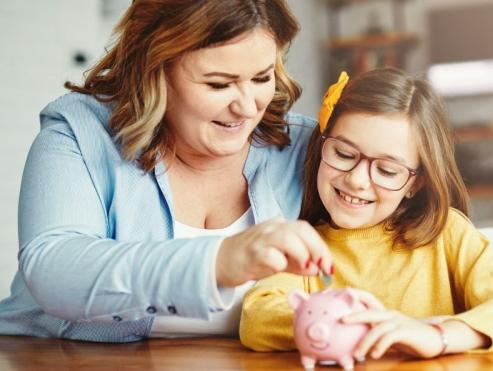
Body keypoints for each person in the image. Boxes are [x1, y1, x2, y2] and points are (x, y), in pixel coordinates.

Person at [0, 0, 333, 342]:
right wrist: (219, 260)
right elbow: (54, 270)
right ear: (155, 69)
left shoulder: (303, 148)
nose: (247, 108)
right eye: (219, 84)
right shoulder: (79, 131)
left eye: (262, 77)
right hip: (55, 359)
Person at [239, 68, 493, 358]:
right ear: (322, 147)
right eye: (343, 154)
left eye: (386, 170)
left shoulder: (447, 233)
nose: (357, 180)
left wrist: (438, 335)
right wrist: (352, 325)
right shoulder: (305, 245)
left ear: (415, 182)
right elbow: (257, 318)